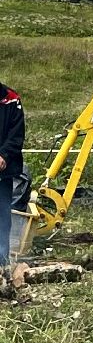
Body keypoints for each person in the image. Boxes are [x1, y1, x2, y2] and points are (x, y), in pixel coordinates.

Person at [0, 81, 24, 268]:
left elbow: (17, 135)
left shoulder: (11, 99)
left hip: (2, 173)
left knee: (2, 216)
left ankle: (2, 261)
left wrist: (4, 155)